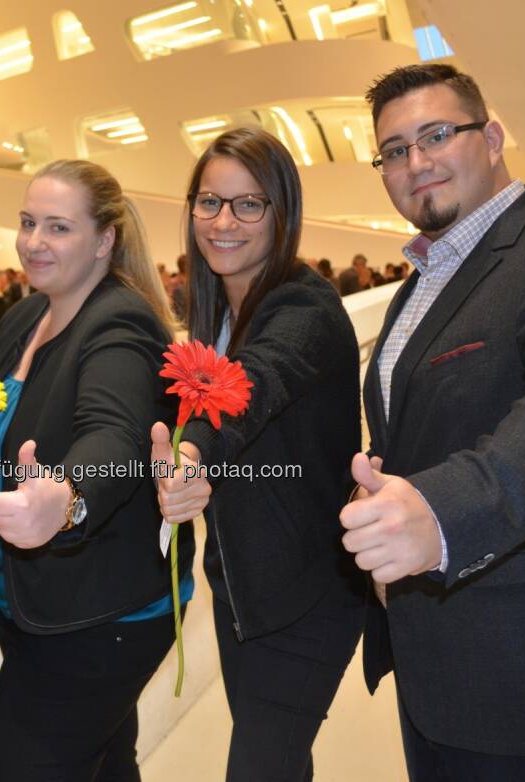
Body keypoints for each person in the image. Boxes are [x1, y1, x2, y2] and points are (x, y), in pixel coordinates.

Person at [340, 63, 525, 780]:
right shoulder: (418, 286)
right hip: (438, 675)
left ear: (493, 137)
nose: (417, 162)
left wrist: (438, 511)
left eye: (437, 135)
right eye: (395, 150)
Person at [0, 159, 191, 781]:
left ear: (105, 239)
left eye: (58, 227)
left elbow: (115, 434)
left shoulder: (120, 324)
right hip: (35, 605)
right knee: (106, 765)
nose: (33, 242)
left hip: (99, 618)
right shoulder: (28, 317)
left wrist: (66, 494)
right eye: (28, 223)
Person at [152, 127, 365, 781]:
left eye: (249, 205)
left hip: (307, 594)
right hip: (242, 584)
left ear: (283, 213)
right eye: (210, 202)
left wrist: (192, 453)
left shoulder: (304, 307)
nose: (224, 222)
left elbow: (253, 384)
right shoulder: (216, 309)